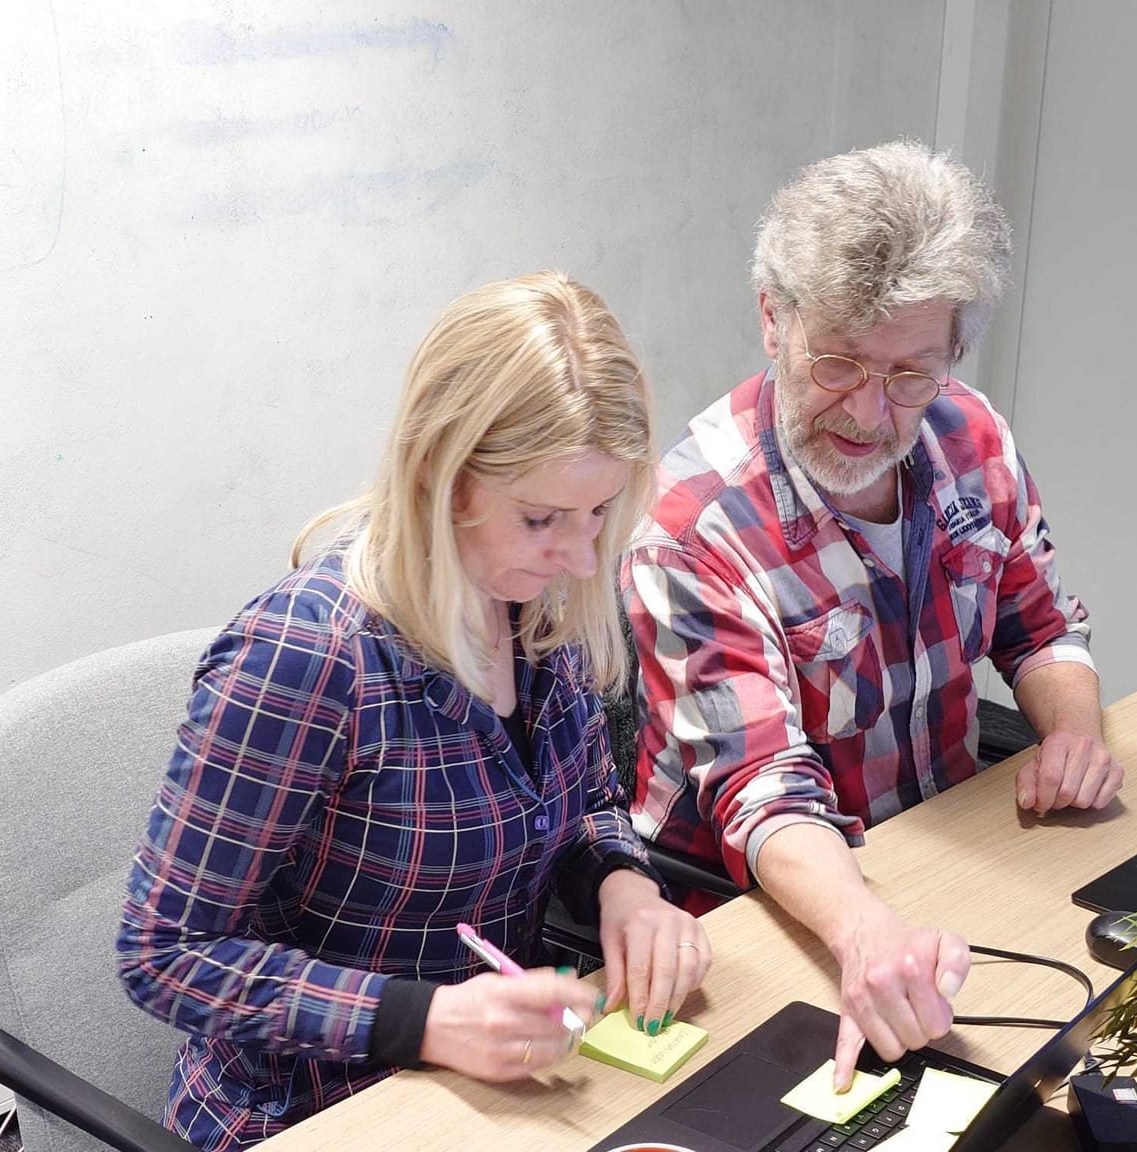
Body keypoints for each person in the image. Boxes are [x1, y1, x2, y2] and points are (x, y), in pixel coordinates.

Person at [119, 271, 710, 1151]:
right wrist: (422, 1021)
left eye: (597, 512)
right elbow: (162, 953)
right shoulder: (309, 658)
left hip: (491, 1094)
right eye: (542, 517)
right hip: (311, 1113)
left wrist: (622, 887)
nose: (583, 557)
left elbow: (584, 806)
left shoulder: (535, 608)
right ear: (442, 475)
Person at [624, 141, 1122, 1091]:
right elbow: (762, 790)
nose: (869, 410)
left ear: (952, 354)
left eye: (909, 374)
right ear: (773, 319)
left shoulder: (971, 434)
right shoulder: (693, 524)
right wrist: (863, 931)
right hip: (755, 916)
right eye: (839, 363)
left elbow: (1041, 625)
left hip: (942, 859)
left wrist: (1073, 732)